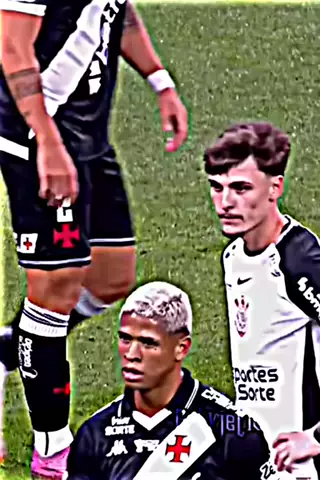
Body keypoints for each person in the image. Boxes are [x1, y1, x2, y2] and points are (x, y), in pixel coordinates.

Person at [0, 0, 188, 477]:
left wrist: (159, 80)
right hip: (36, 134)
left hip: (88, 137)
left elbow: (115, 11)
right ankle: (52, 452)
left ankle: (4, 352)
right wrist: (46, 142)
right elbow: (12, 46)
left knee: (111, 276)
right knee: (56, 284)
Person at [202, 122, 320, 480]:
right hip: (263, 461)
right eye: (217, 187)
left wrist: (318, 437)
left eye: (241, 188)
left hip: (310, 468)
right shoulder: (234, 256)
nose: (225, 203)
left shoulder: (298, 262)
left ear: (275, 187)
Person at [67, 281, 277, 480]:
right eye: (125, 339)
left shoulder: (233, 431)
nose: (132, 354)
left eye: (148, 343)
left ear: (181, 348)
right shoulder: (95, 434)